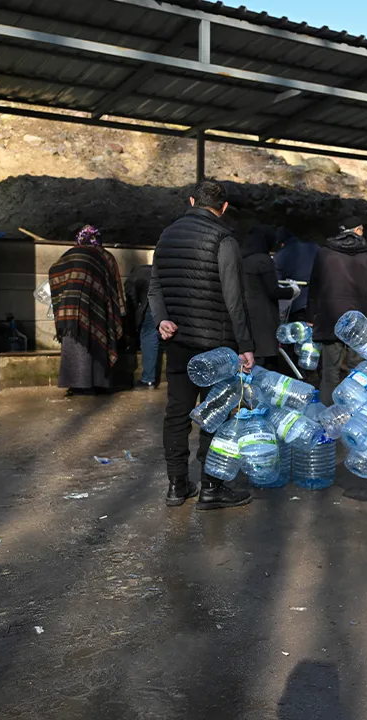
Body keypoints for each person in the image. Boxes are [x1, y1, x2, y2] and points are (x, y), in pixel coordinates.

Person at [148, 180, 256, 511]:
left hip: (178, 341)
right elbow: (234, 298)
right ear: (223, 207)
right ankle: (212, 487)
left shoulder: (166, 235)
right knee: (216, 415)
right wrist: (245, 344)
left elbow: (155, 287)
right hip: (216, 346)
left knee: (177, 414)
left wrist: (161, 319)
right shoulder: (224, 240)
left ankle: (177, 486)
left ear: (192, 200)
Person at [308, 216, 367, 404]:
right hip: (360, 321)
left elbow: (314, 287)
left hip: (329, 318)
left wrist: (311, 316)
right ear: (358, 230)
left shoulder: (324, 252)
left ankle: (328, 415)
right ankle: (354, 413)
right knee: (358, 371)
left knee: (329, 372)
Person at [49, 225, 124, 396]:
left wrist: (65, 292)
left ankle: (76, 384)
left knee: (74, 344)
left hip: (70, 310)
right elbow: (114, 285)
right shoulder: (106, 256)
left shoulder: (69, 255)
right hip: (99, 308)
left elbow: (54, 270)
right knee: (99, 342)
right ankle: (97, 383)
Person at [241, 225, 299, 371]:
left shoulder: (242, 258)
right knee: (264, 363)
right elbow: (273, 291)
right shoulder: (263, 260)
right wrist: (292, 291)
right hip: (263, 318)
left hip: (245, 314)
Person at [124, 262, 159, 388]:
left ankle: (148, 379)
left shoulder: (132, 279)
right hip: (169, 303)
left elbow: (131, 302)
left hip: (152, 306)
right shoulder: (152, 270)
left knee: (149, 337)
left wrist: (132, 322)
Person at [273, 226, 317, 323]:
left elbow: (276, 282)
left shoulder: (280, 256)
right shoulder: (314, 248)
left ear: (282, 242)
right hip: (317, 301)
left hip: (296, 304)